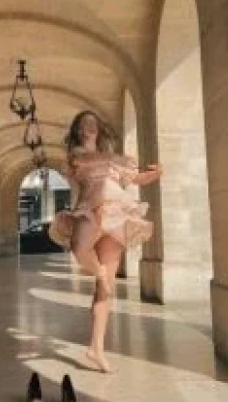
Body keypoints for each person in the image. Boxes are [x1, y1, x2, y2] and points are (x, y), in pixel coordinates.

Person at [49, 110, 163, 373]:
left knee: (105, 289)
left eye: (94, 123)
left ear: (98, 128)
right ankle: (99, 274)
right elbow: (88, 160)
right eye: (85, 123)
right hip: (90, 209)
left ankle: (96, 349)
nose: (90, 126)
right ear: (78, 129)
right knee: (80, 248)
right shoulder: (77, 153)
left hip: (117, 211)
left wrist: (156, 173)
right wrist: (116, 158)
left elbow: (135, 178)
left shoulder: (109, 156)